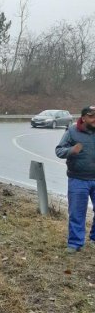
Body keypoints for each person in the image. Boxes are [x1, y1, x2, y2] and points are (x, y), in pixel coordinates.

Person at [55, 105, 95, 253]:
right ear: (83, 118)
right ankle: (75, 243)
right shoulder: (72, 131)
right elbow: (59, 150)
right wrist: (71, 150)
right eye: (91, 116)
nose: (94, 119)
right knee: (77, 212)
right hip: (78, 179)